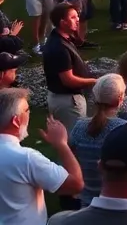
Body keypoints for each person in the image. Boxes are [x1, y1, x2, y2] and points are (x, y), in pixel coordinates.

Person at [0, 88, 85, 225]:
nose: (30, 114)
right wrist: (61, 144)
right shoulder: (26, 158)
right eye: (27, 110)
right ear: (16, 121)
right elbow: (75, 184)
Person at [68, 75, 127, 206]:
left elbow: (71, 158)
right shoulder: (126, 129)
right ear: (120, 99)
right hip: (117, 204)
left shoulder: (79, 127)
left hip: (86, 203)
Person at [43, 3, 97, 130]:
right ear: (63, 22)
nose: (78, 20)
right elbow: (68, 80)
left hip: (63, 99)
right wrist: (94, 81)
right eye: (73, 17)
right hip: (68, 102)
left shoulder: (60, 38)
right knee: (74, 140)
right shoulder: (59, 47)